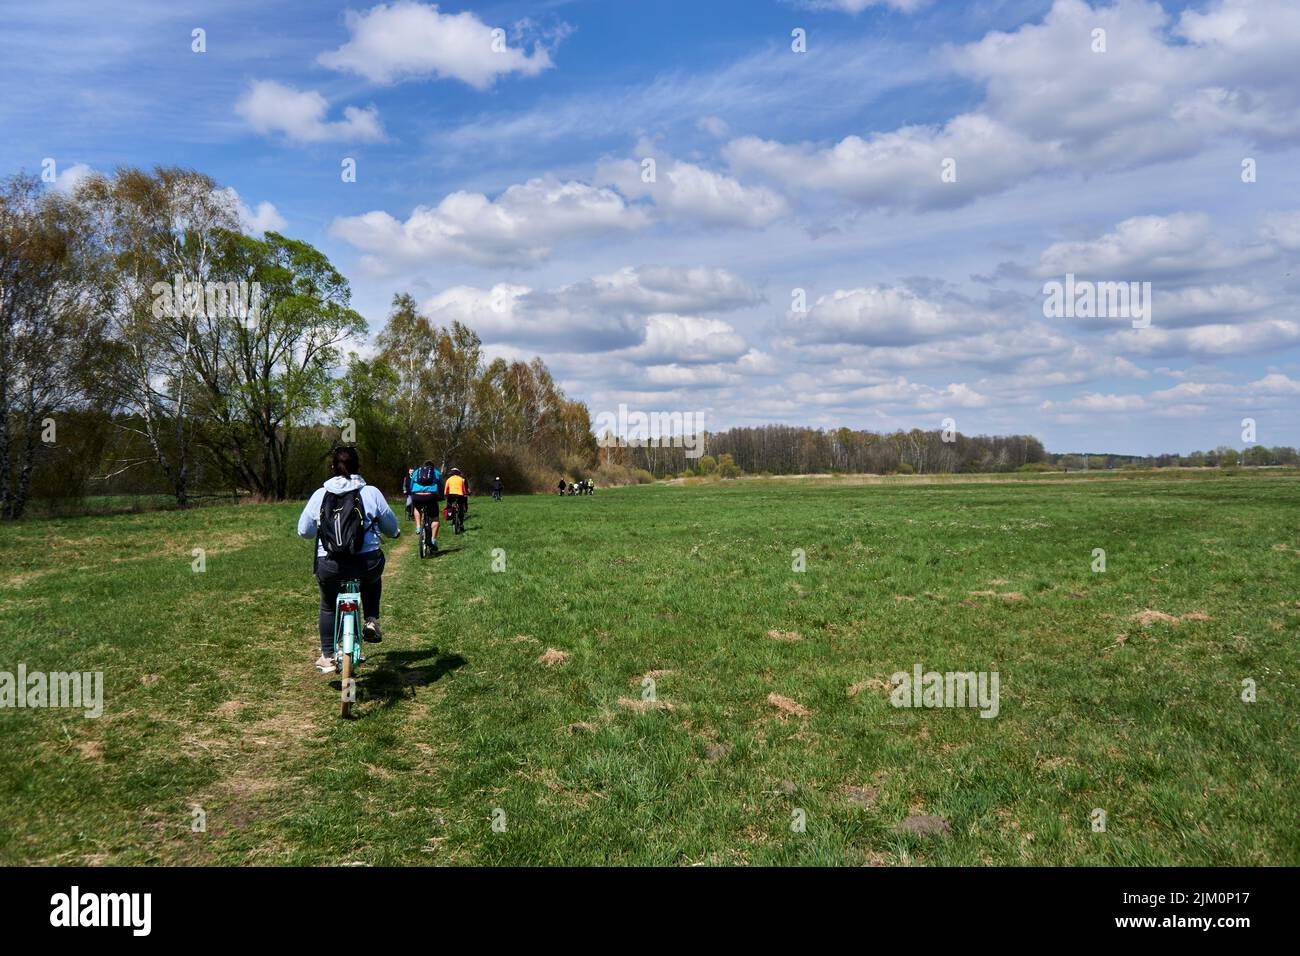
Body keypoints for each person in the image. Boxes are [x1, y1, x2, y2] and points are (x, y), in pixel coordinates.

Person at [297, 446, 399, 674]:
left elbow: (304, 531)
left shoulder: (320, 494)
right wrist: (395, 533)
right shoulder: (371, 492)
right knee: (372, 579)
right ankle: (371, 619)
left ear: (332, 467)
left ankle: (327, 655)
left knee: (327, 604)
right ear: (359, 467)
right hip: (366, 563)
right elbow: (391, 527)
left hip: (330, 564)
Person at [410, 459, 441, 550]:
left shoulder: (417, 471)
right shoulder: (436, 472)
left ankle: (418, 527)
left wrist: (412, 493)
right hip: (430, 496)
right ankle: (433, 540)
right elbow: (441, 485)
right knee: (435, 518)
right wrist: (441, 496)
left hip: (417, 495)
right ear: (432, 466)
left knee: (417, 508)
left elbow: (411, 484)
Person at [444, 467, 468, 532]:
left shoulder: (449, 479)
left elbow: (446, 489)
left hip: (451, 495)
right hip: (460, 495)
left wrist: (446, 495)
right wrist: (465, 494)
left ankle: (450, 515)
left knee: (449, 506)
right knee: (461, 509)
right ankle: (461, 524)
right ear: (458, 473)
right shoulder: (461, 479)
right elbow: (463, 489)